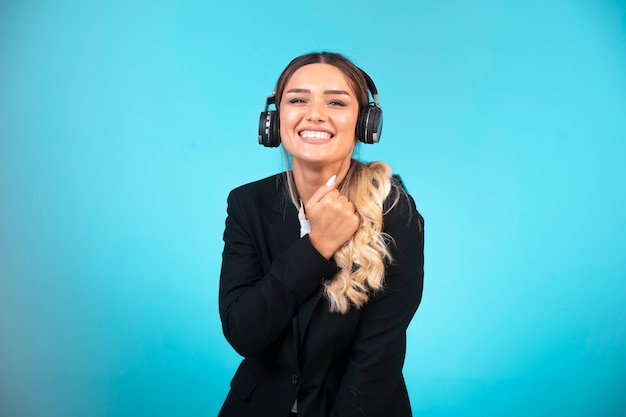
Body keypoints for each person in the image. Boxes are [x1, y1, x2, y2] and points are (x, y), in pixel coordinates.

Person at [218, 51, 424, 417]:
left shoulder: (394, 211)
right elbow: (243, 330)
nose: (315, 114)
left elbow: (375, 361)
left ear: (364, 123)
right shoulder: (247, 203)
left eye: (336, 102)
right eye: (298, 99)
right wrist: (317, 246)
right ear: (273, 120)